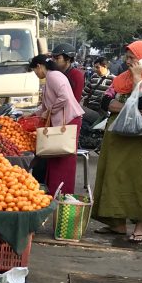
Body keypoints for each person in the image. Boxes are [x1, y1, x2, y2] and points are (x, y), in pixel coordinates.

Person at [93, 41, 142, 243]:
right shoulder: (119, 79)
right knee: (114, 176)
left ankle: (140, 226)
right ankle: (116, 223)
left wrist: (136, 79)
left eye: (133, 57)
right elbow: (105, 102)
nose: (128, 61)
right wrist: (129, 105)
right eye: (127, 57)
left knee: (141, 179)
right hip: (116, 135)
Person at [28, 55, 85, 195]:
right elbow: (46, 105)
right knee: (55, 157)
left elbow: (64, 97)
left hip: (68, 121)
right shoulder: (51, 77)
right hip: (63, 122)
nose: (36, 74)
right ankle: (54, 192)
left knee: (63, 159)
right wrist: (32, 114)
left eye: (35, 71)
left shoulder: (53, 76)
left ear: (39, 66)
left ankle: (62, 194)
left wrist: (50, 111)